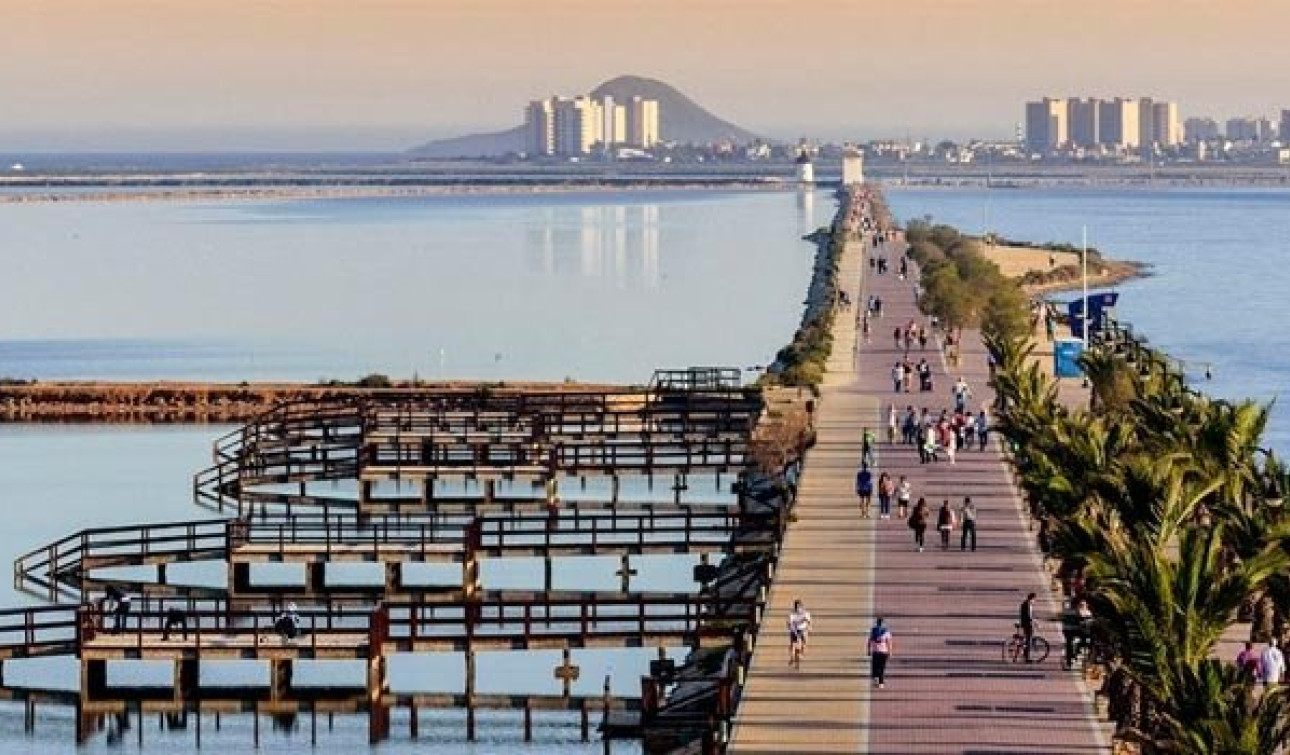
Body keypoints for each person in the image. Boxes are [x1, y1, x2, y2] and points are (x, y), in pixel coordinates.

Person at [1061, 597, 1092, 668]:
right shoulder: (1077, 612)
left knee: (1069, 644)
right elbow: (1082, 622)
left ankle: (1069, 661)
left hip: (1066, 630)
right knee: (1084, 638)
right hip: (1073, 630)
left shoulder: (1066, 611)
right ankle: (1076, 652)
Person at [868, 617, 893, 689]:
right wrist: (890, 651)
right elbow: (889, 642)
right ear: (883, 623)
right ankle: (881, 683)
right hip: (883, 652)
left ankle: (875, 680)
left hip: (875, 651)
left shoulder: (873, 630)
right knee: (881, 667)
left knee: (875, 667)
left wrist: (869, 650)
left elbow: (870, 641)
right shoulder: (886, 631)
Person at [787, 599, 812, 668]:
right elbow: (789, 623)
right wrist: (790, 627)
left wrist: (809, 626)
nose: (798, 609)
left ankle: (801, 653)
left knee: (805, 642)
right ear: (795, 607)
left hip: (802, 629)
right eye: (797, 607)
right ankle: (792, 657)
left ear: (802, 607)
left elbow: (808, 621)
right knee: (792, 645)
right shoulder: (792, 614)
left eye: (800, 607)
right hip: (794, 630)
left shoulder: (806, 613)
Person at [1019, 593, 1037, 662]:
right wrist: (1034, 622)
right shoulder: (1028, 604)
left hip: (1024, 623)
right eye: (1034, 599)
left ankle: (1024, 653)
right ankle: (1027, 657)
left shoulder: (1024, 603)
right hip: (1027, 624)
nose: (1034, 601)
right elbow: (1029, 616)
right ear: (1032, 598)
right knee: (1028, 640)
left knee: (1027, 639)